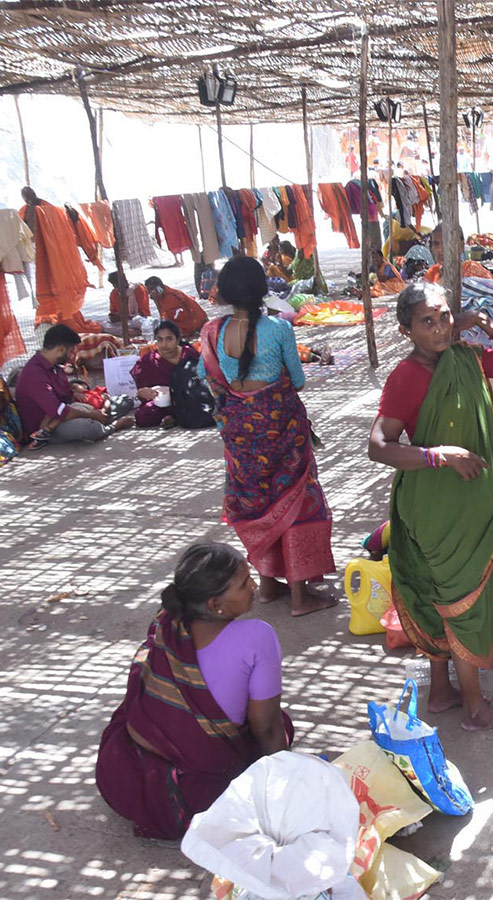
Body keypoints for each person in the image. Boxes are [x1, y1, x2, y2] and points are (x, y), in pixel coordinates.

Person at [368, 281, 493, 730]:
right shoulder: (406, 376)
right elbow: (378, 445)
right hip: (436, 507)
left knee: (437, 594)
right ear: (407, 331)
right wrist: (438, 454)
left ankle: (442, 690)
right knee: (460, 599)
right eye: (427, 321)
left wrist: (485, 324)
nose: (440, 328)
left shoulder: (465, 358)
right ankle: (475, 708)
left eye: (444, 316)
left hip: (472, 504)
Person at [95, 542, 293, 839]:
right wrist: (283, 789)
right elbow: (265, 729)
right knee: (279, 724)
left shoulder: (169, 621)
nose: (253, 585)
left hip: (124, 779)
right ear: (215, 605)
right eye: (243, 584)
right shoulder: (258, 637)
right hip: (198, 797)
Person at [198, 257, 337, 618]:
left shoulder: (212, 332)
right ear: (263, 290)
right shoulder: (278, 329)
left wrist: (238, 403)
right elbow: (299, 380)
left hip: (240, 435)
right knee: (295, 504)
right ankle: (300, 596)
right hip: (283, 432)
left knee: (256, 503)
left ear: (225, 293)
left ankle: (269, 585)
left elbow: (208, 377)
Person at [15, 324, 134, 448]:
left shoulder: (55, 366)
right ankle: (112, 426)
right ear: (61, 349)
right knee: (88, 428)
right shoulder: (34, 374)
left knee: (125, 401)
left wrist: (77, 392)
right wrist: (92, 415)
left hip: (67, 412)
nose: (72, 356)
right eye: (71, 351)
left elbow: (67, 398)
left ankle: (101, 420)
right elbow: (60, 411)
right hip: (48, 426)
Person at [19, 186, 98, 333]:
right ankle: (52, 318)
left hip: (55, 255)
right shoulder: (24, 211)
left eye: (30, 194)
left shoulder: (50, 209)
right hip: (37, 256)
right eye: (25, 196)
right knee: (46, 289)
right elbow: (21, 231)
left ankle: (66, 318)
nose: (29, 198)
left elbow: (62, 227)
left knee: (60, 286)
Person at [130, 320, 202, 428]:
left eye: (169, 339)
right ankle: (175, 416)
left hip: (189, 399)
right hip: (163, 403)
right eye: (160, 339)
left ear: (177, 340)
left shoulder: (188, 355)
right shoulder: (149, 360)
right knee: (143, 416)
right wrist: (142, 393)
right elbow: (143, 391)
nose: (164, 344)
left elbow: (201, 377)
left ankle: (176, 417)